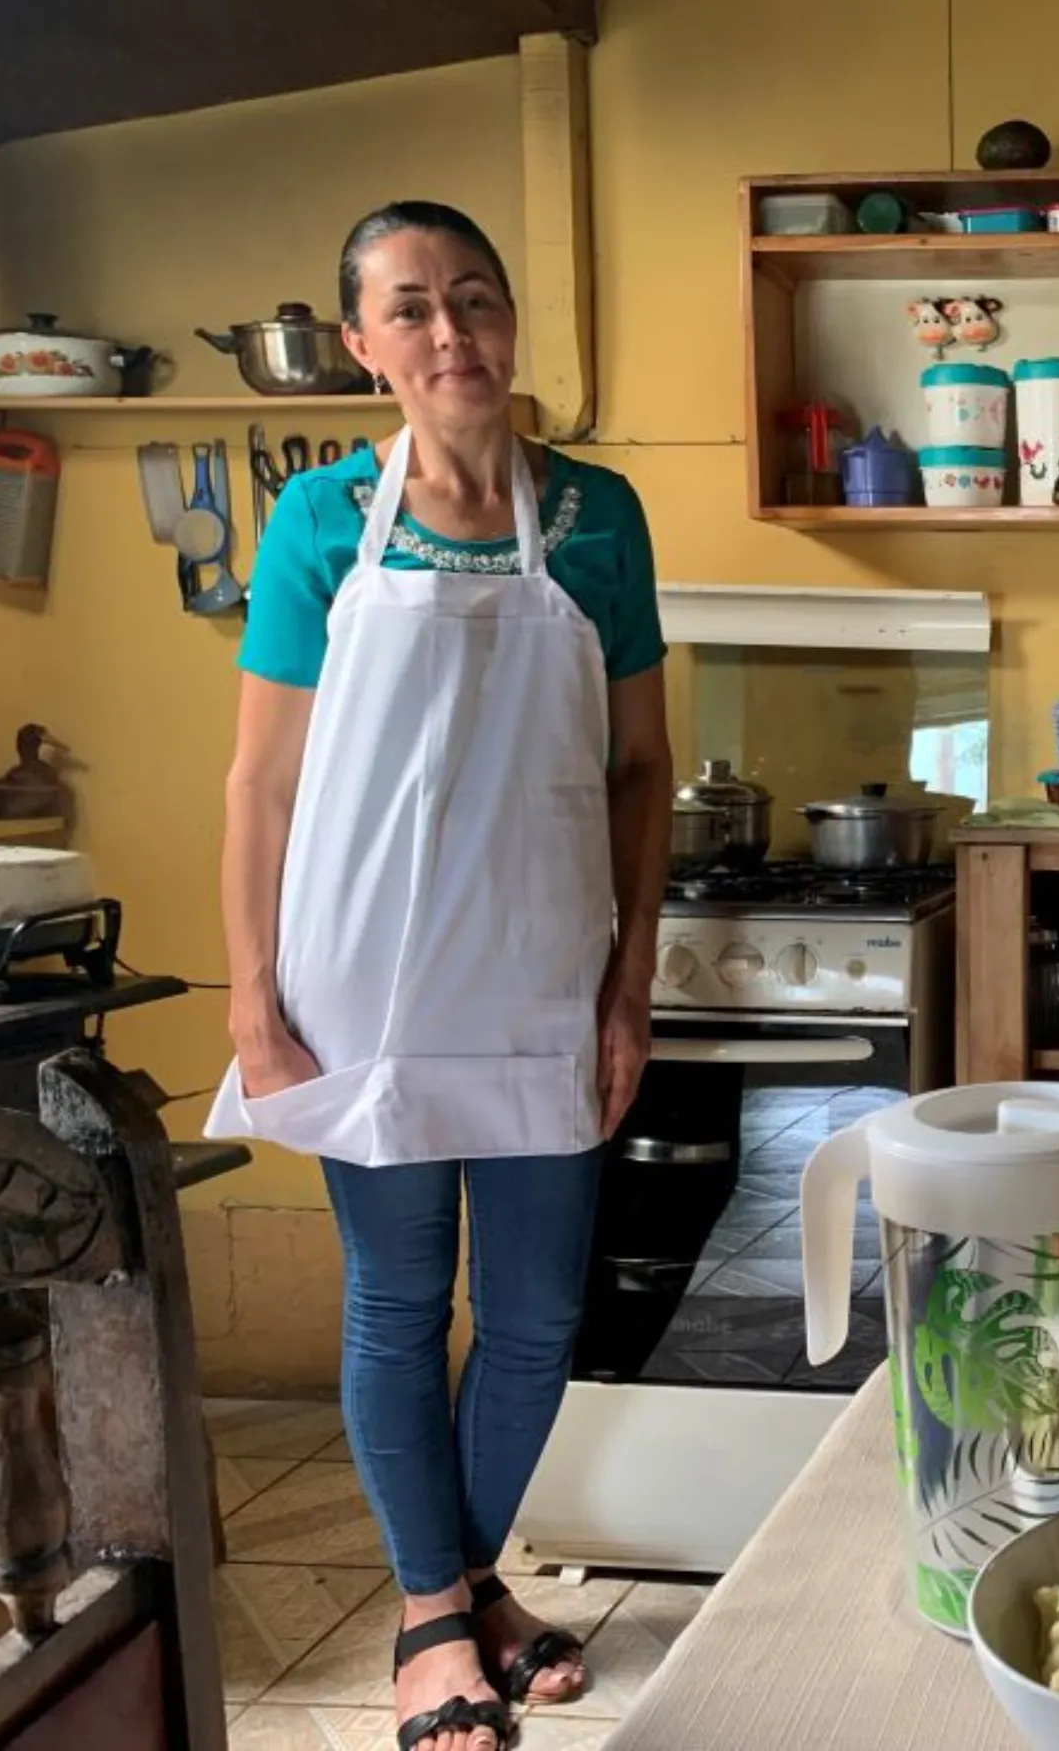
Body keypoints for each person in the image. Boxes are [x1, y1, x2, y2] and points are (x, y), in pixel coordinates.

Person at [209, 201, 672, 1751]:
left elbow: (643, 772)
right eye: (409, 310)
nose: (449, 334)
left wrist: (628, 991)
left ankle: (465, 1583)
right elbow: (261, 788)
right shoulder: (321, 521)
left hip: (547, 975)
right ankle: (434, 1615)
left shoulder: (600, 515)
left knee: (538, 1317)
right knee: (402, 1302)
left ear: (512, 316)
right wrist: (252, 1000)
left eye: (472, 299)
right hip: (367, 987)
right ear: (360, 346)